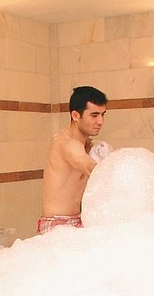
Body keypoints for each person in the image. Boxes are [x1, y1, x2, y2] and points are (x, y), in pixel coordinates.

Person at [37, 86, 108, 234]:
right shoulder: (67, 143)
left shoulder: (87, 144)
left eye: (102, 114)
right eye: (94, 115)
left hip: (76, 222)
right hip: (57, 226)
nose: (100, 121)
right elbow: (91, 168)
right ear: (75, 115)